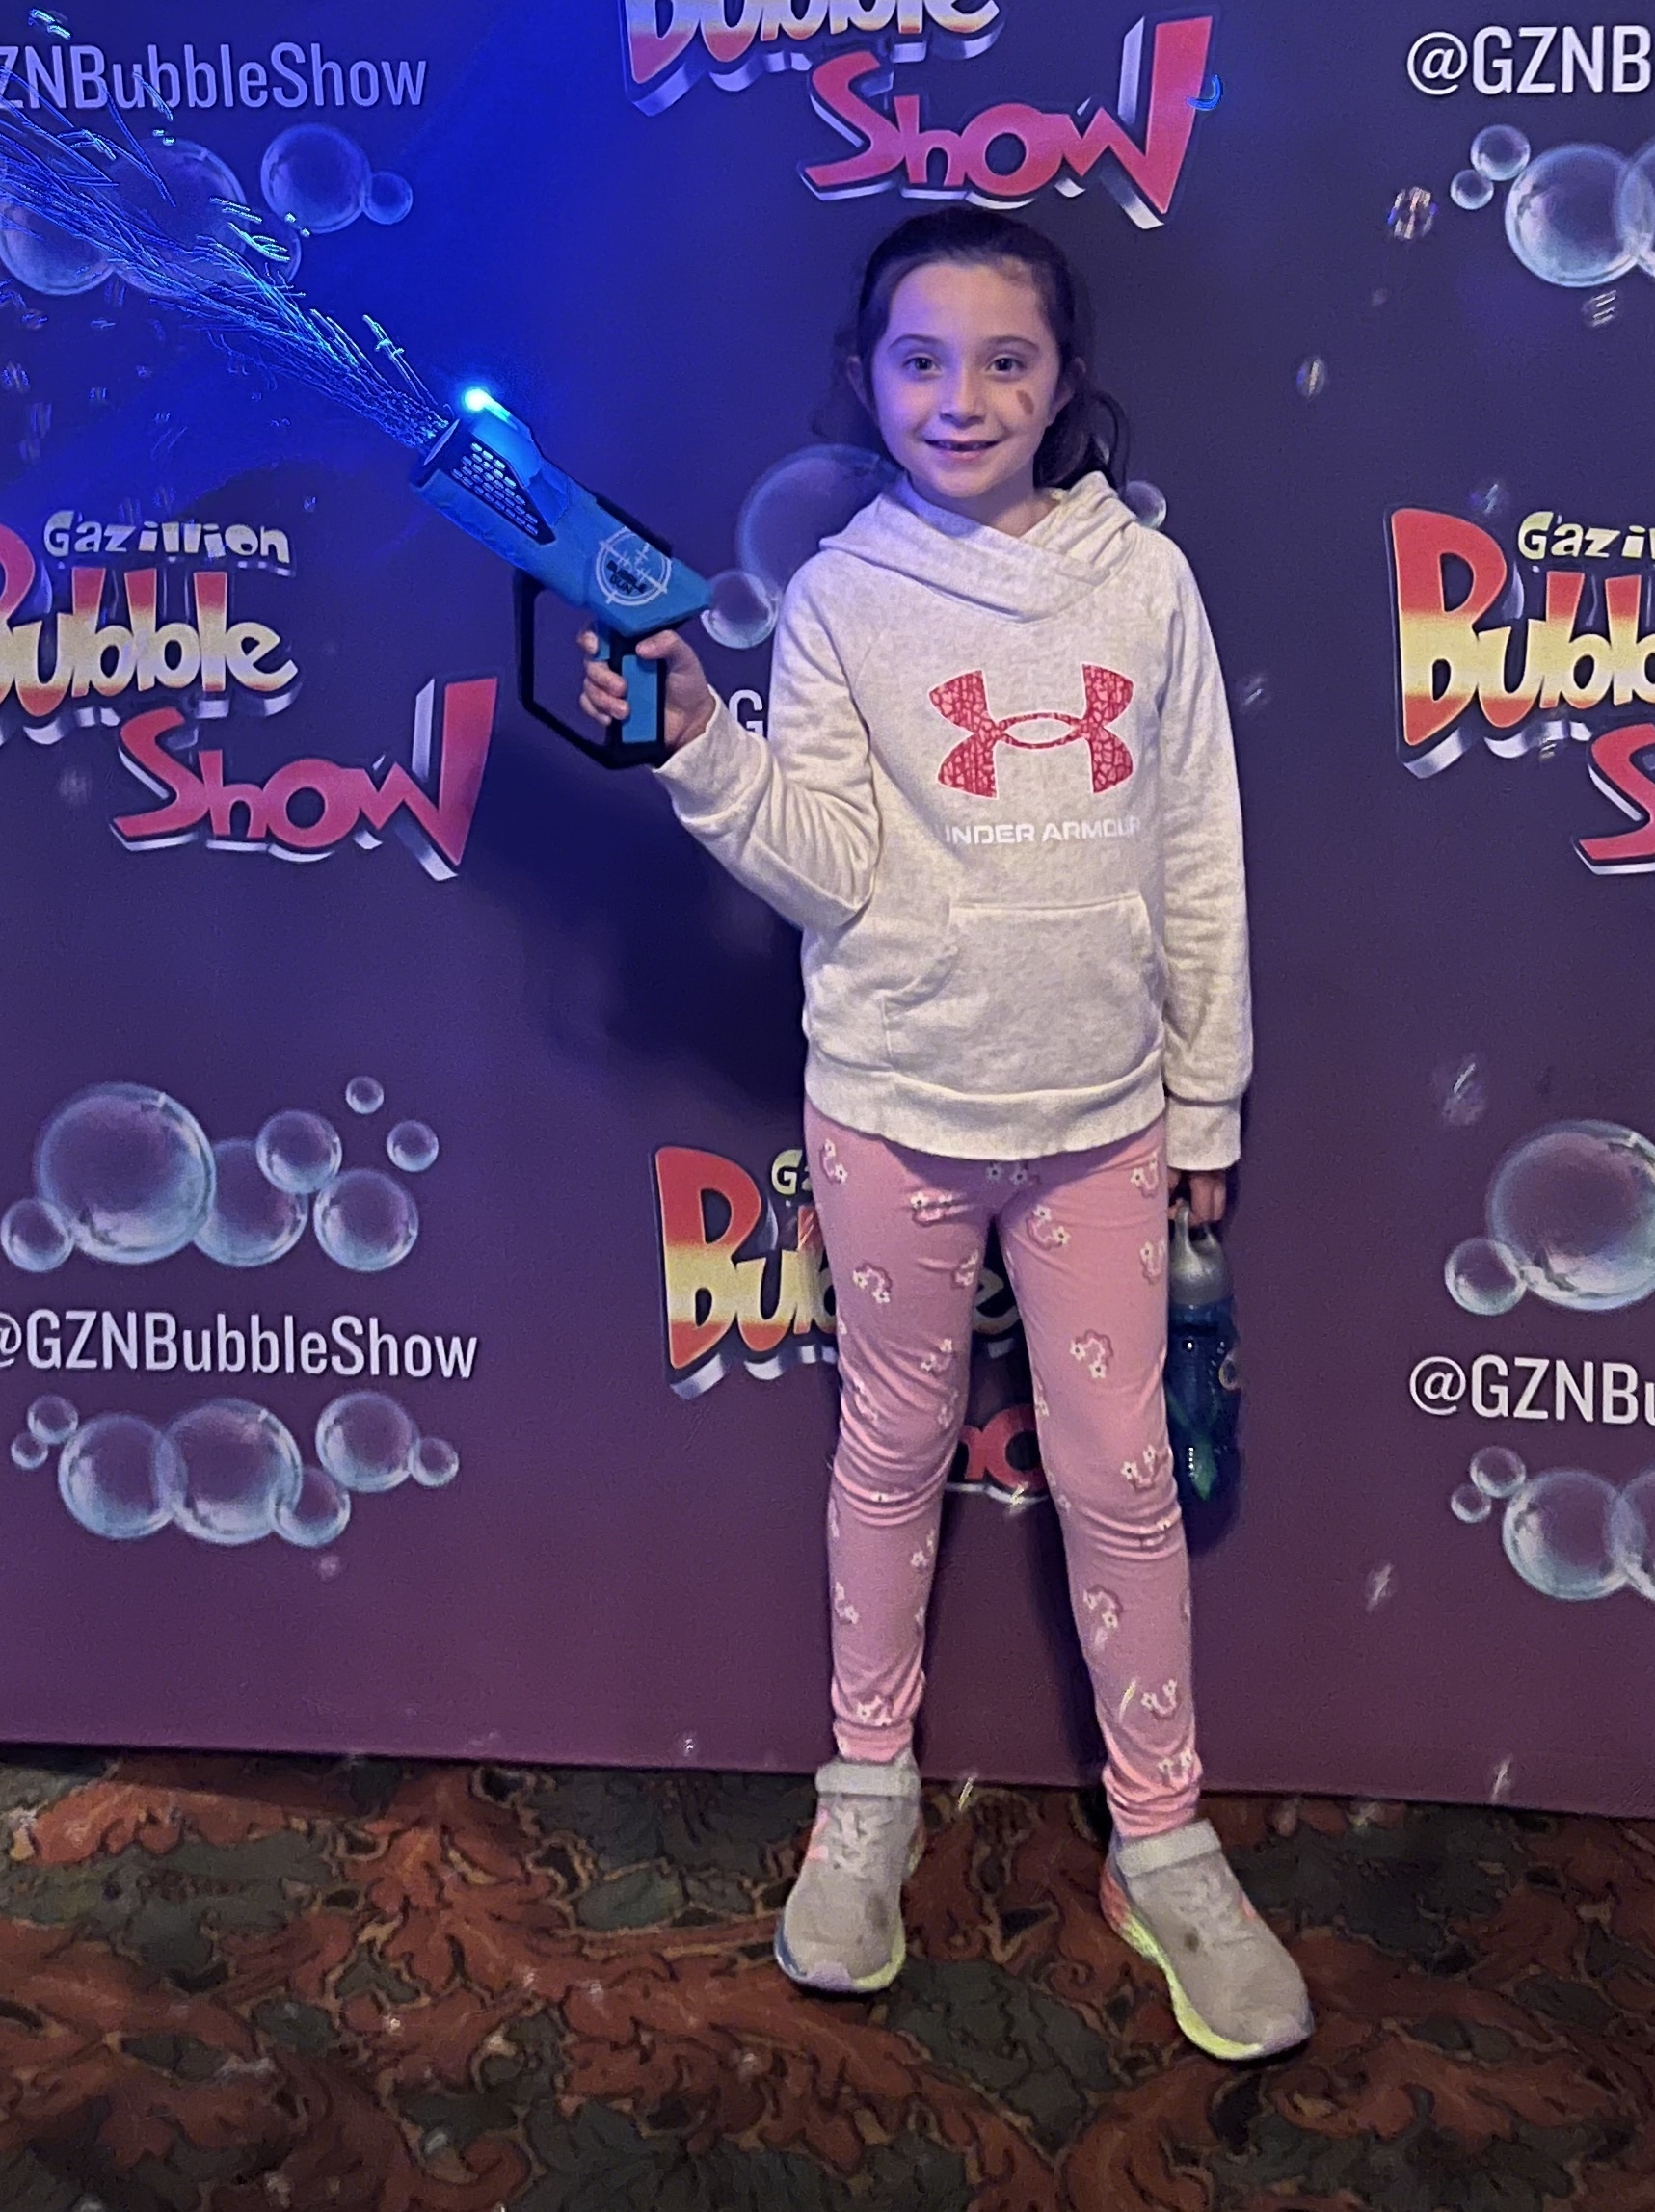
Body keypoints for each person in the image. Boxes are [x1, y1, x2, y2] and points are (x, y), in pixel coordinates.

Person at [579, 206, 1310, 2064]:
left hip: (1101, 1124)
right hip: (895, 1113)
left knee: (1122, 1476)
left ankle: (1163, 1837)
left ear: (1065, 383)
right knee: (890, 1449)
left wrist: (1205, 1094)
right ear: (866, 377)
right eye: (922, 360)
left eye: (1005, 359)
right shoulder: (839, 598)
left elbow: (1202, 855)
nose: (960, 395)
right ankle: (866, 1803)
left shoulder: (1146, 586)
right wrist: (698, 742)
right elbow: (826, 866)